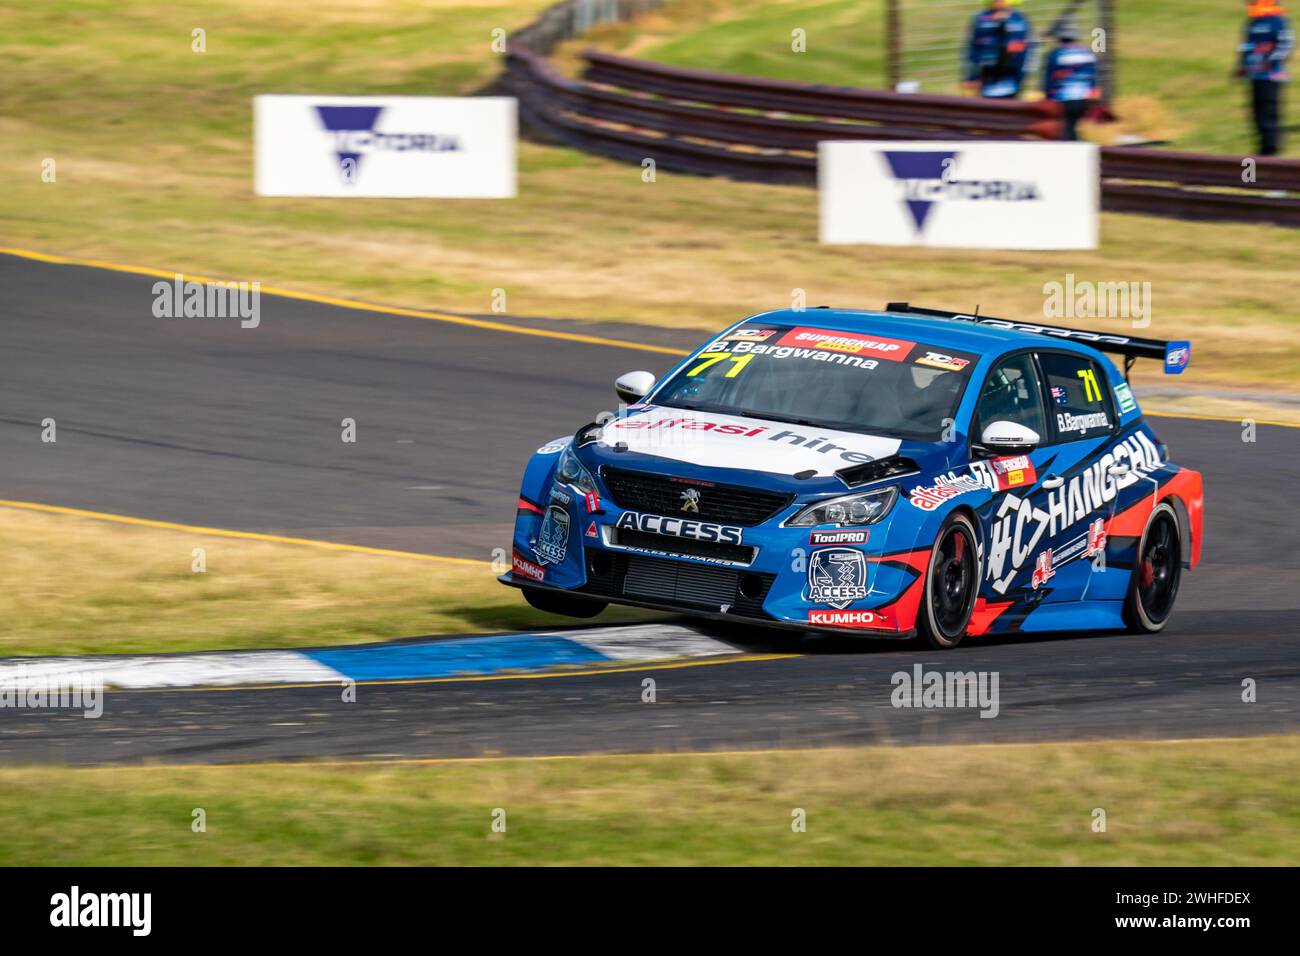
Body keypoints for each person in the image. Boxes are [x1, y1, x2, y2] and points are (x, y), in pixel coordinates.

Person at [1238, 0, 1294, 155]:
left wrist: (1271, 62)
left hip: (1271, 76)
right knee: (1257, 113)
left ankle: (1271, 149)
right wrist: (1242, 66)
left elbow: (1286, 44)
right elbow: (1246, 46)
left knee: (1269, 112)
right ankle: (1262, 149)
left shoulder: (1277, 19)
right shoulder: (1253, 21)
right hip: (1255, 75)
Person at [1042, 20, 1099, 141]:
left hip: (1064, 99)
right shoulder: (1087, 53)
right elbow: (1093, 77)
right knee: (1072, 126)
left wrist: (1047, 98)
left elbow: (1049, 79)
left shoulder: (1056, 54)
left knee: (1066, 127)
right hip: (1084, 98)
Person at [963, 0, 1033, 99]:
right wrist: (971, 77)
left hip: (1012, 83)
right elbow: (972, 51)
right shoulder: (980, 20)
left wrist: (1022, 77)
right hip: (986, 84)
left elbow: (1027, 50)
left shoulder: (1019, 20)